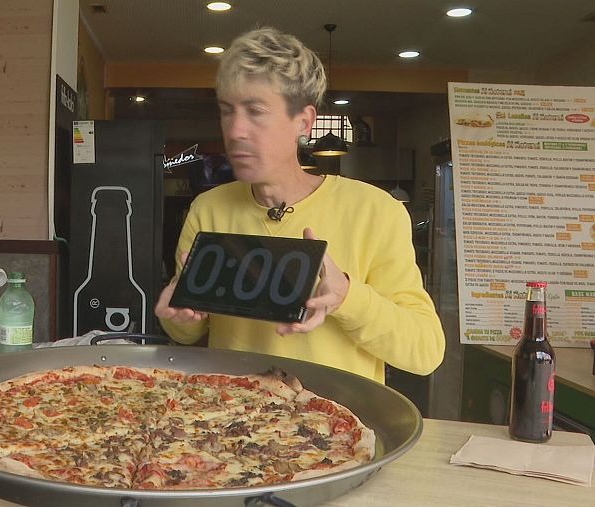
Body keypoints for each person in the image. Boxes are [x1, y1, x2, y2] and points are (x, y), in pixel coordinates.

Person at [155, 27, 445, 384]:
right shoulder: (208, 210)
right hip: (229, 423)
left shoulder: (377, 212)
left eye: (255, 111)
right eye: (227, 111)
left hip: (338, 427)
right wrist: (178, 315)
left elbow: (425, 352)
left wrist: (347, 298)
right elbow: (186, 333)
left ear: (304, 122)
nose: (236, 130)